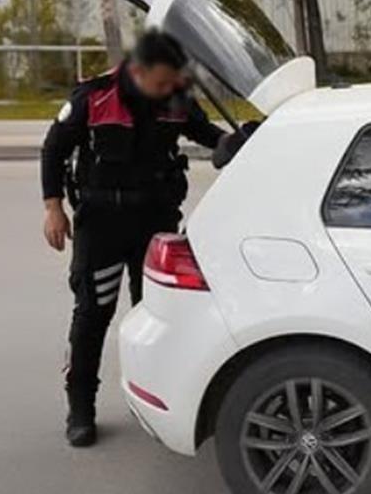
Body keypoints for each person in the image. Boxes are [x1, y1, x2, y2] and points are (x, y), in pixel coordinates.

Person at [40, 30, 230, 447]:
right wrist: (53, 207)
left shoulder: (174, 97)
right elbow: (53, 149)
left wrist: (241, 142)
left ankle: (152, 401)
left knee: (159, 320)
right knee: (92, 315)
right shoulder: (93, 97)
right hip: (101, 225)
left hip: (155, 223)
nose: (169, 91)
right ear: (137, 72)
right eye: (161, 83)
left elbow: (209, 135)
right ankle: (80, 409)